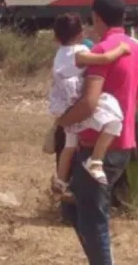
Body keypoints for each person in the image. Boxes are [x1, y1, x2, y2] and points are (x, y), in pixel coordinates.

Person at [56, 0, 137, 265]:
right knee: (82, 208)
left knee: (90, 219)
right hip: (123, 141)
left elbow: (89, 102)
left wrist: (63, 121)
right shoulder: (133, 46)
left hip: (96, 146)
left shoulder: (101, 51)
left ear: (97, 17)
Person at [48, 13, 128, 199]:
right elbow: (105, 58)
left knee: (69, 147)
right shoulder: (79, 52)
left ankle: (60, 182)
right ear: (80, 33)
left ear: (56, 37)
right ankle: (96, 160)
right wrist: (121, 49)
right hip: (77, 104)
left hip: (64, 106)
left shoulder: (60, 54)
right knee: (115, 121)